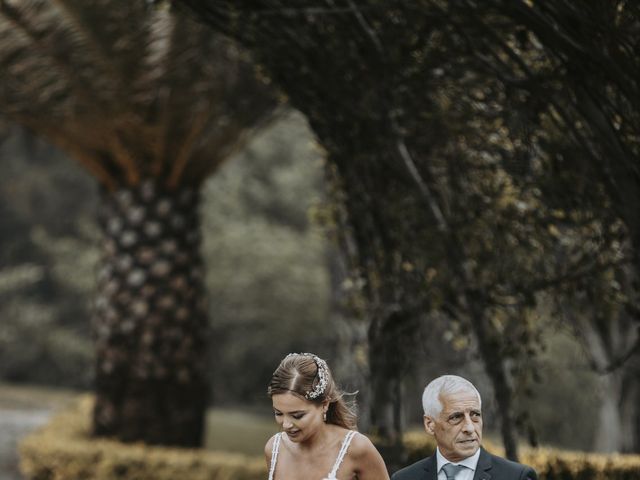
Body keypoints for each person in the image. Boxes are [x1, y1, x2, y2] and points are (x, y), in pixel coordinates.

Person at [265, 352, 390, 480]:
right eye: (278, 413)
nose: (286, 425)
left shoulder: (356, 448)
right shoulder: (274, 449)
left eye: (297, 415)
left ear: (324, 404)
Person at [392, 375, 537, 480]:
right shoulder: (405, 478)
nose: (469, 428)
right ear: (430, 425)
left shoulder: (516, 477)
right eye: (456, 417)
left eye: (475, 415)